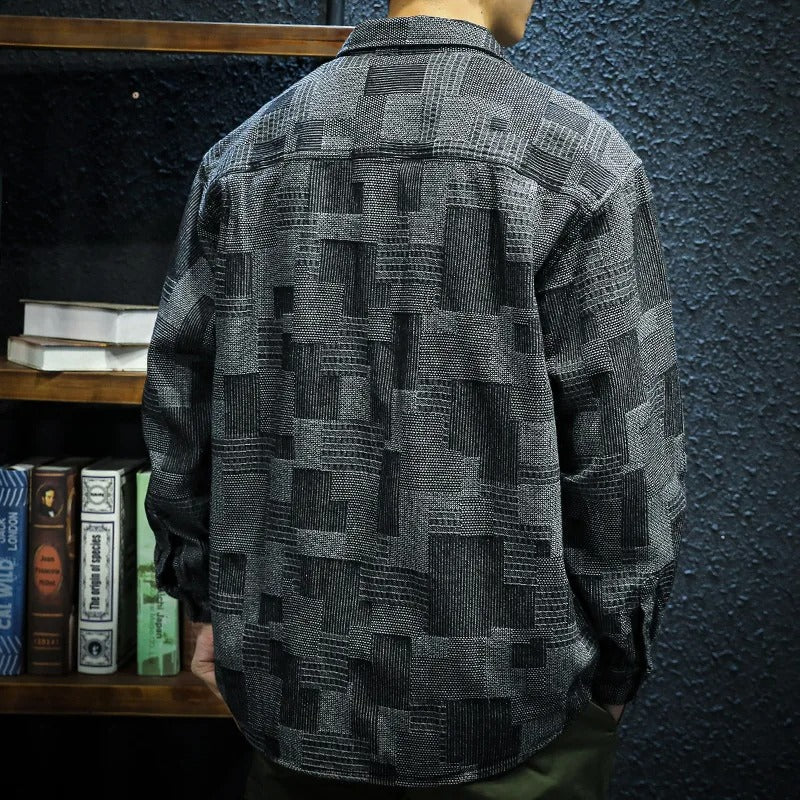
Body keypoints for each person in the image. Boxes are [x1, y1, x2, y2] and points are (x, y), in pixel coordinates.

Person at [141, 1, 687, 797]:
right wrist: (620, 666)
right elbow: (627, 465)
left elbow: (179, 412)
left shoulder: (244, 158)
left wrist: (201, 598)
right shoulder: (581, 164)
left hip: (294, 695)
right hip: (511, 716)